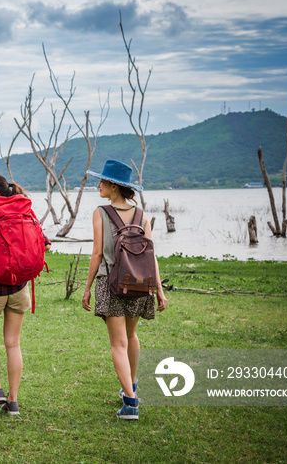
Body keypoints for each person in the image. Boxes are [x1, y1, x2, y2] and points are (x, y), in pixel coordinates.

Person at [81, 159, 167, 420]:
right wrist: (159, 291)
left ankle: (130, 402)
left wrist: (86, 289)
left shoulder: (101, 212)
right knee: (131, 336)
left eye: (103, 181)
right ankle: (131, 385)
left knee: (117, 343)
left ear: (114, 187)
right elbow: (152, 256)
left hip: (112, 282)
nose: (99, 185)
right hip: (141, 285)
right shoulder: (141, 215)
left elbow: (97, 254)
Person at [0, 174, 51, 415]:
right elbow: (45, 244)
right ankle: (13, 402)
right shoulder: (26, 213)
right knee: (13, 343)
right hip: (19, 286)